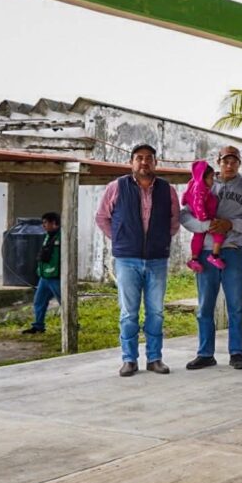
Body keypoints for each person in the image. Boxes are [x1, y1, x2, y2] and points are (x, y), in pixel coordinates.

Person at [95, 143, 180, 376]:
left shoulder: (167, 189)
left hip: (157, 260)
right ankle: (129, 360)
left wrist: (159, 240)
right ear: (132, 162)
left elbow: (174, 222)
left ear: (155, 162)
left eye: (149, 158)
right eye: (139, 158)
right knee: (128, 313)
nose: (144, 162)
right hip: (127, 260)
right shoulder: (117, 187)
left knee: (156, 312)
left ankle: (155, 358)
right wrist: (122, 239)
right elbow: (102, 217)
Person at [180, 146, 242, 372]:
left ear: (239, 163)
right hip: (206, 252)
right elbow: (185, 213)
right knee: (205, 305)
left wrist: (231, 224)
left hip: (233, 250)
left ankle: (236, 352)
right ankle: (205, 353)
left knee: (236, 305)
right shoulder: (204, 182)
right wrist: (205, 226)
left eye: (233, 161)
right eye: (225, 160)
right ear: (218, 162)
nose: (229, 165)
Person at [182, 160, 225, 272]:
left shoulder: (197, 186)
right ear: (203, 178)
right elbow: (198, 204)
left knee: (198, 237)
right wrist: (204, 219)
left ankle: (194, 259)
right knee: (219, 232)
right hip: (204, 219)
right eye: (211, 177)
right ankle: (214, 256)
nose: (213, 180)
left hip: (201, 219)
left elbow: (186, 195)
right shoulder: (200, 190)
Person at [22, 212, 62, 335]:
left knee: (64, 301)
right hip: (45, 277)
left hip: (56, 277)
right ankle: (38, 326)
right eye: (43, 223)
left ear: (54, 223)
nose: (44, 225)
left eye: (46, 222)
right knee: (39, 301)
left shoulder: (62, 237)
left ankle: (72, 325)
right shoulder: (47, 236)